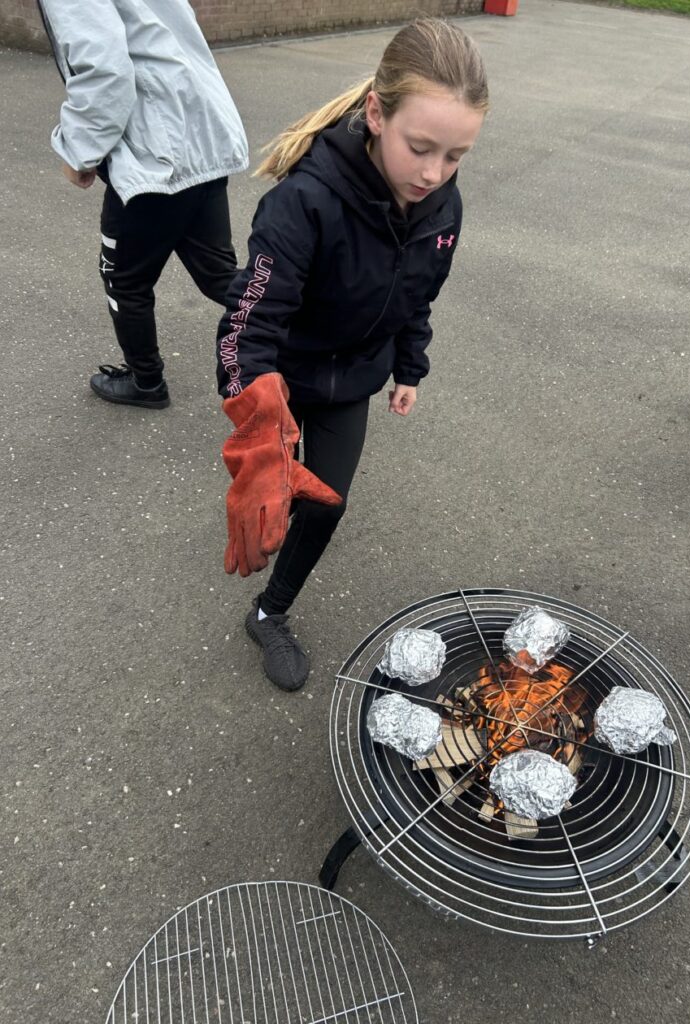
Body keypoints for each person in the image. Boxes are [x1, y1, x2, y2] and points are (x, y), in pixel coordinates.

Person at [217, 18, 488, 691]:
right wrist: (258, 432)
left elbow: (419, 294)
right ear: (375, 114)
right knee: (271, 488)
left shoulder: (442, 207)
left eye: (455, 156)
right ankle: (272, 485)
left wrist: (409, 367)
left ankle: (269, 612)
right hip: (285, 378)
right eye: (419, 148)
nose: (434, 173)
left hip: (353, 380)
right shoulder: (303, 202)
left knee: (326, 502)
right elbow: (246, 326)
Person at [39, 0, 249, 408]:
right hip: (202, 135)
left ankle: (146, 382)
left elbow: (105, 72)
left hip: (155, 155)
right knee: (219, 274)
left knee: (124, 278)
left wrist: (80, 150)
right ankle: (316, 331)